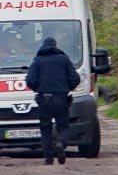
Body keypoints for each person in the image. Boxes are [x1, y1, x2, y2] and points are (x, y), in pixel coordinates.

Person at [25, 36, 80, 164]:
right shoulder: (64, 60)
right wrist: (66, 88)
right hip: (61, 98)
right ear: (55, 46)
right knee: (63, 126)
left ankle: (48, 158)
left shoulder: (38, 61)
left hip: (44, 99)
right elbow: (75, 79)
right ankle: (60, 143)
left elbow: (30, 81)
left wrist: (39, 89)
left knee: (45, 129)